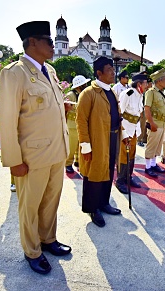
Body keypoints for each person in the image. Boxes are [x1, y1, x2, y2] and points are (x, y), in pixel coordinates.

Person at [0, 21, 71, 275]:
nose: (53, 45)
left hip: (56, 151)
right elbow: (6, 119)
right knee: (30, 206)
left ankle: (48, 239)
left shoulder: (49, 71)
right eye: (48, 41)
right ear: (32, 43)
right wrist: (13, 160)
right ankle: (32, 250)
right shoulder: (14, 73)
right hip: (31, 156)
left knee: (51, 200)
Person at [76, 56, 125, 227]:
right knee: (94, 174)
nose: (113, 72)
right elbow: (81, 120)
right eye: (109, 70)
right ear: (99, 73)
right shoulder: (88, 93)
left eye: (113, 69)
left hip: (111, 137)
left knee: (108, 171)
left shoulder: (111, 92)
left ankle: (104, 202)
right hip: (96, 141)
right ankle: (92, 208)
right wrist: (85, 146)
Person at [115, 71, 148, 194]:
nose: (147, 86)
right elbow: (120, 113)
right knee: (123, 155)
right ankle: (120, 180)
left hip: (134, 128)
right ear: (139, 83)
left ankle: (129, 177)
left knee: (132, 154)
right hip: (126, 129)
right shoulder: (127, 94)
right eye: (145, 84)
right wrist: (123, 132)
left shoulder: (140, 95)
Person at [144, 69, 165, 177]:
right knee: (151, 145)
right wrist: (151, 123)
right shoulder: (151, 92)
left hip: (162, 123)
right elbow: (147, 109)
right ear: (159, 81)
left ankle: (154, 164)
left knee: (158, 146)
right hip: (155, 123)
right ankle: (147, 167)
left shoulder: (161, 93)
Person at [65, 75, 90, 173]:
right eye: (84, 84)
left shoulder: (83, 94)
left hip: (81, 123)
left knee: (80, 144)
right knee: (72, 145)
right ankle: (68, 163)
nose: (86, 85)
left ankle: (77, 160)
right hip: (72, 123)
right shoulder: (71, 95)